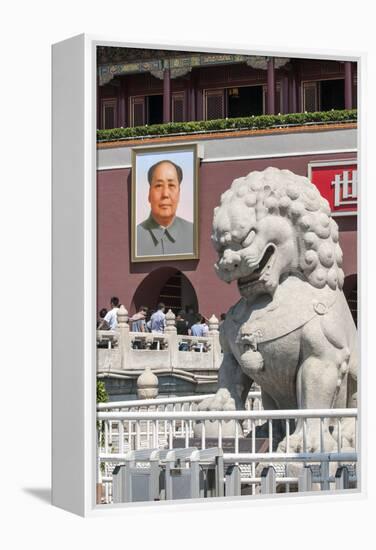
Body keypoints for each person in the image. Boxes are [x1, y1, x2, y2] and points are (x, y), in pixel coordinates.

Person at [136, 160, 194, 256]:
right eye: (158, 186)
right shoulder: (135, 237)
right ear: (149, 194)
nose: (165, 194)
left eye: (171, 185)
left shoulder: (194, 234)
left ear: (179, 193)